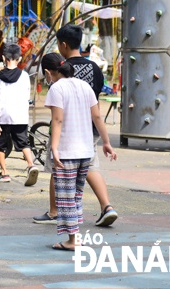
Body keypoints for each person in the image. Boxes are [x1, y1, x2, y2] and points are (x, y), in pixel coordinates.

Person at [33, 24, 119, 227]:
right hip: (89, 128)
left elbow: (58, 114)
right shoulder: (95, 68)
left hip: (68, 130)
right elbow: (96, 106)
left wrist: (54, 143)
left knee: (59, 168)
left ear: (63, 45)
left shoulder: (61, 69)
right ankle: (106, 206)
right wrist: (106, 140)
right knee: (90, 166)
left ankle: (55, 213)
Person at [41, 53, 117, 251]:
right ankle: (75, 237)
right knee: (75, 195)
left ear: (48, 73)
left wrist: (54, 148)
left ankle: (73, 240)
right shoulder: (85, 86)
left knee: (65, 197)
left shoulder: (56, 88)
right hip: (86, 150)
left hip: (67, 150)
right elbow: (97, 116)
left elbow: (57, 120)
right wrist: (106, 142)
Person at [0, 43, 39, 186]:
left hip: (3, 116)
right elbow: (26, 96)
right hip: (20, 116)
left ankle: (4, 173)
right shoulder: (24, 76)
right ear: (20, 58)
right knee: (23, 142)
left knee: (0, 145)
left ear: (4, 58)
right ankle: (31, 164)